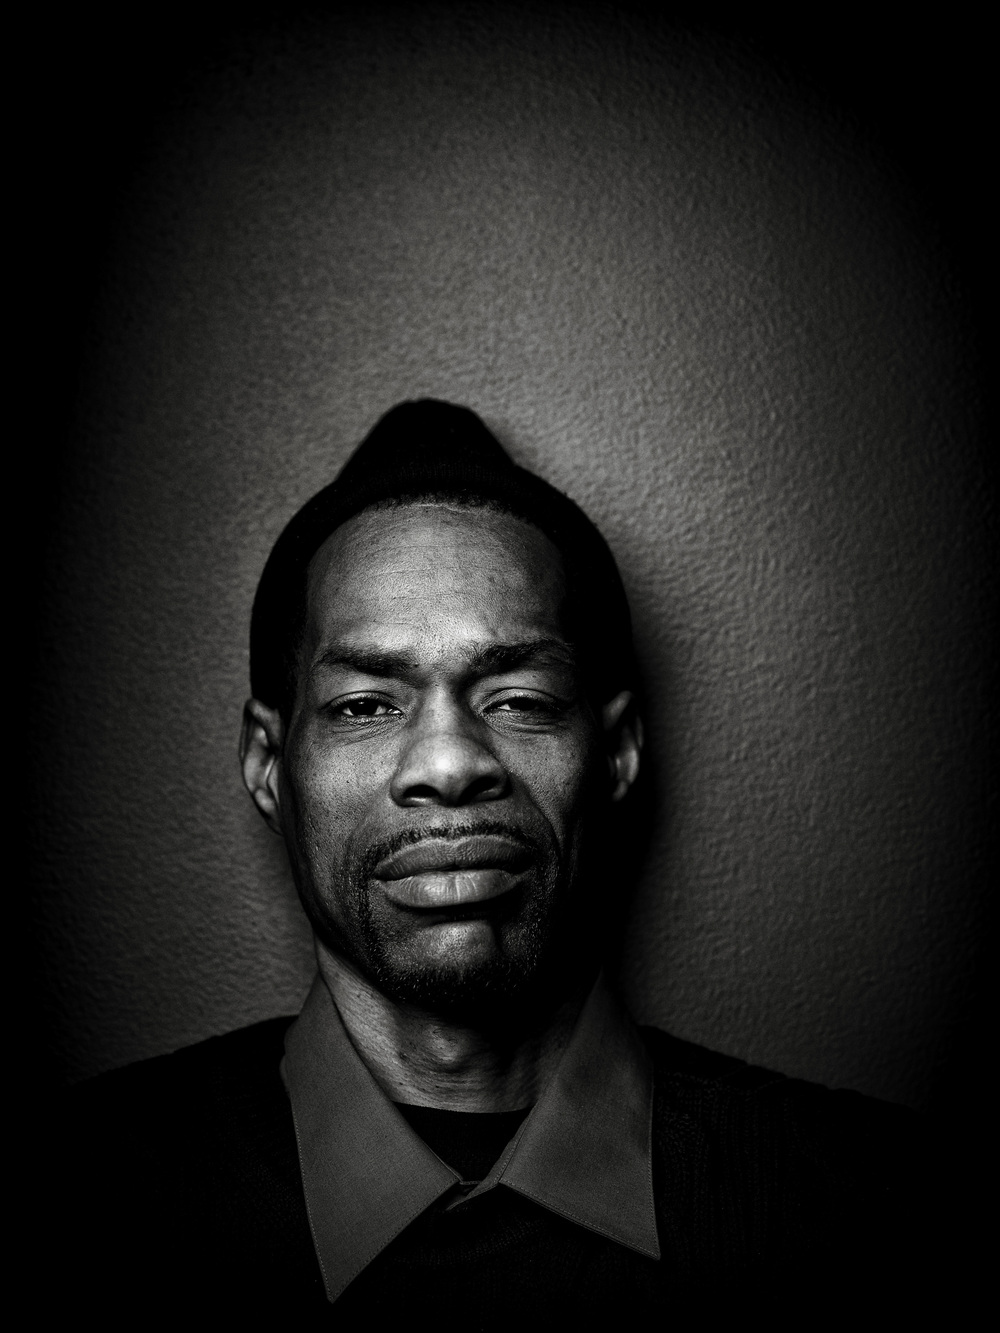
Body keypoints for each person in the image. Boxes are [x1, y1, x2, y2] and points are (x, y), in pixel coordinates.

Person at [58, 400, 937, 1321]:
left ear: (617, 751)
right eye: (364, 705)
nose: (448, 763)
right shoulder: (81, 1205)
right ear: (268, 764)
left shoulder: (873, 1212)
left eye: (518, 699)